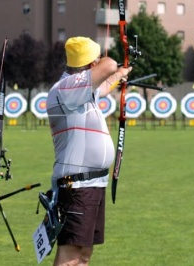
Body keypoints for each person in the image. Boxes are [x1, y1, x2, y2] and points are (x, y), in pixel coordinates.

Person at [45, 36, 132, 266]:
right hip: (77, 187)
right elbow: (109, 66)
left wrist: (121, 73)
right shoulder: (66, 88)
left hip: (92, 185)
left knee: (83, 256)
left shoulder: (80, 91)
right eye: (97, 59)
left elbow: (104, 84)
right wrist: (111, 66)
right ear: (91, 65)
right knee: (70, 256)